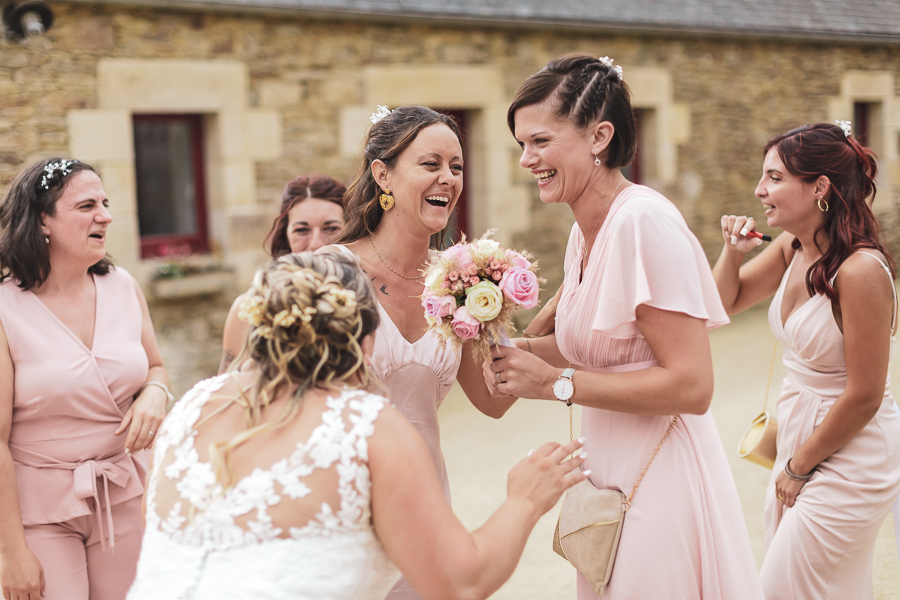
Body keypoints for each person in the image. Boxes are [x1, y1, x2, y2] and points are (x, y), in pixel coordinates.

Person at [126, 252, 587, 600]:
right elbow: (461, 582)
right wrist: (524, 499)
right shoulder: (365, 425)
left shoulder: (192, 406)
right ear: (366, 340)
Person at [487, 53, 764, 599]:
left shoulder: (643, 221)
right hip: (604, 476)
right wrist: (490, 343)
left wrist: (552, 384)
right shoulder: (581, 233)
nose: (527, 159)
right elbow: (598, 345)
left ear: (600, 136)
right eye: (522, 144)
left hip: (659, 474)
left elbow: (693, 385)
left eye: (540, 141)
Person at [324, 105, 515, 600]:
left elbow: (495, 399)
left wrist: (566, 323)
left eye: (456, 166)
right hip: (341, 506)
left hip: (427, 504)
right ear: (382, 173)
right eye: (430, 164)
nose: (448, 178)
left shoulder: (461, 282)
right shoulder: (329, 271)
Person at [713, 122, 900, 599]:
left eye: (774, 178)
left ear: (819, 187)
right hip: (803, 434)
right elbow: (721, 306)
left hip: (852, 451)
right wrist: (731, 254)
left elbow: (865, 395)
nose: (760, 191)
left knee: (780, 588)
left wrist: (797, 467)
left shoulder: (860, 272)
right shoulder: (792, 248)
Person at [0, 158, 172, 600]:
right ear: (43, 220)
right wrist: (12, 552)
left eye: (106, 203)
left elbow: (155, 366)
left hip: (124, 494)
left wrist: (155, 393)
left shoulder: (123, 285)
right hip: (40, 512)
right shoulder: (4, 310)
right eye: (86, 205)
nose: (105, 215)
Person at [219, 175, 345, 373]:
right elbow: (226, 391)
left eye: (331, 228)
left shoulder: (372, 300)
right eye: (302, 230)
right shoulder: (249, 309)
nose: (316, 244)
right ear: (285, 236)